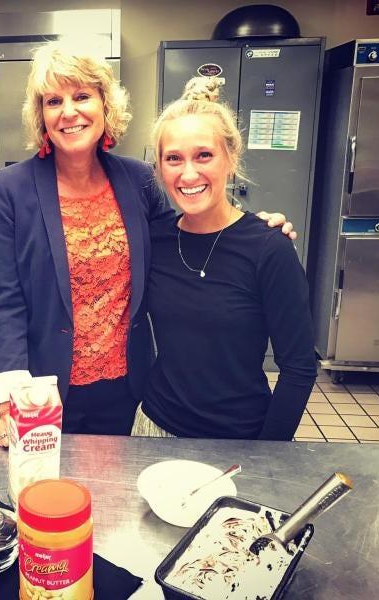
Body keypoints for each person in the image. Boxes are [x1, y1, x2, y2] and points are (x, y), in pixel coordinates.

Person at [0, 40, 296, 446]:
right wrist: (9, 394)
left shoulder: (138, 180)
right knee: (48, 485)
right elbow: (2, 300)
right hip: (41, 390)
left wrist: (254, 231)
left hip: (129, 390)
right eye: (53, 101)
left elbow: (183, 239)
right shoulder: (6, 190)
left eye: (82, 96)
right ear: (41, 115)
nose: (69, 111)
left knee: (118, 485)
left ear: (105, 105)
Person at [132, 77, 316, 440]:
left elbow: (299, 368)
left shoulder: (268, 248)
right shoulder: (155, 239)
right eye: (173, 158)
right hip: (154, 429)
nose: (188, 173)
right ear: (159, 168)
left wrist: (267, 455)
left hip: (239, 439)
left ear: (231, 159)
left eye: (204, 155)